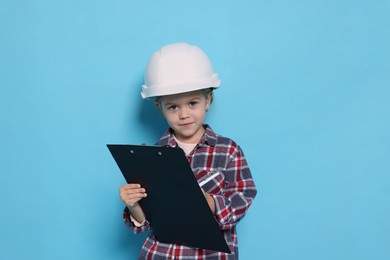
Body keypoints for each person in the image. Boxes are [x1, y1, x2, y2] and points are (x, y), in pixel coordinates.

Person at [119, 42, 257, 259]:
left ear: (208, 100)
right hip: (161, 253)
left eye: (192, 103)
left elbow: (243, 197)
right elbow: (144, 224)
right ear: (160, 108)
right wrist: (134, 205)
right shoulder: (151, 157)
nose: (184, 114)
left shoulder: (228, 150)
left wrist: (208, 202)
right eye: (173, 106)